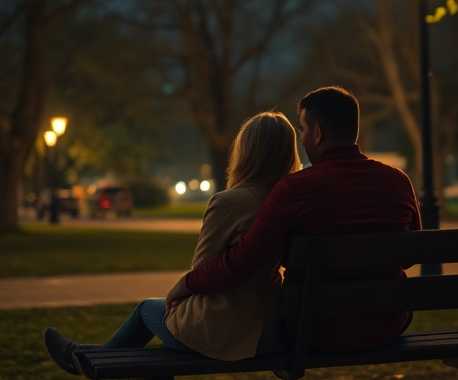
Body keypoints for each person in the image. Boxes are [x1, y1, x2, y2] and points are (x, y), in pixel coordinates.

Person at [167, 86, 422, 352]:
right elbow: (410, 256)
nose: (301, 138)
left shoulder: (294, 190)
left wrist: (186, 283)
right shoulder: (398, 180)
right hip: (387, 325)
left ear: (318, 133)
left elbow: (242, 262)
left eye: (302, 129)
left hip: (317, 331)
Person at [44, 111, 301, 375]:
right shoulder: (290, 203)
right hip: (268, 332)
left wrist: (179, 294)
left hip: (224, 332)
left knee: (146, 310)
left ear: (246, 153)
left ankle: (85, 360)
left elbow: (201, 267)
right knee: (156, 352)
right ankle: (85, 354)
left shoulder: (229, 203)